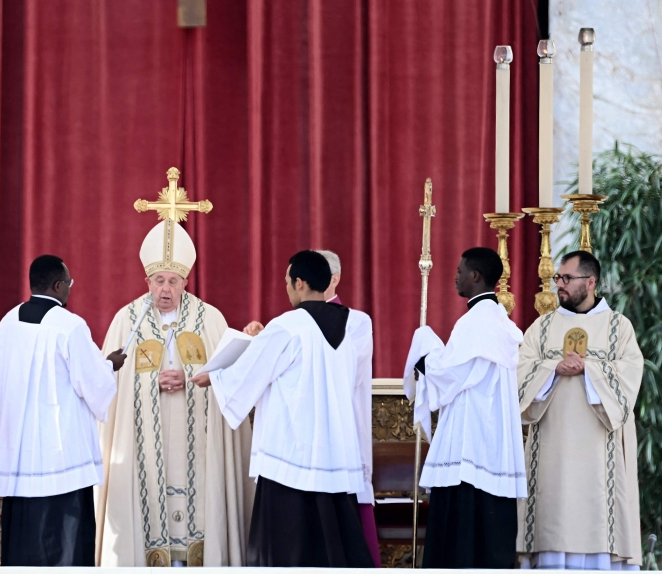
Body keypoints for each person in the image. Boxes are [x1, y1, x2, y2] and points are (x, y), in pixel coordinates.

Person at [193, 250, 374, 567]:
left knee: (286, 549)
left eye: (288, 282)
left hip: (290, 457)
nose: (287, 289)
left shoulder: (287, 326)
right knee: (333, 547)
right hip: (335, 455)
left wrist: (215, 376)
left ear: (300, 283)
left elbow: (248, 374)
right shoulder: (354, 327)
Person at [96, 217, 252, 567]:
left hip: (196, 437)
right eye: (158, 281)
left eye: (173, 281)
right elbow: (110, 387)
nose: (165, 289)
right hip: (142, 445)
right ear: (146, 280)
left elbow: (229, 376)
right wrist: (150, 382)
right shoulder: (127, 319)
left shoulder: (209, 319)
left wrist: (190, 377)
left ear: (186, 281)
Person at [0, 255, 126, 566]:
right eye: (69, 284)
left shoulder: (7, 322)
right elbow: (91, 383)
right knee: (65, 546)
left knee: (23, 546)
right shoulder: (70, 326)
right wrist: (110, 365)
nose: (70, 290)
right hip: (62, 459)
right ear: (59, 285)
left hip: (20, 457)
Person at [516, 250, 643, 570]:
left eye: (566, 279)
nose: (558, 284)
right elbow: (518, 372)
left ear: (590, 282)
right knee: (551, 514)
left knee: (598, 516)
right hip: (551, 451)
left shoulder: (618, 327)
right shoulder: (542, 327)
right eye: (558, 277)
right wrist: (552, 368)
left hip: (599, 450)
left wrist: (589, 369)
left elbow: (629, 377)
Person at [402, 247, 526, 568]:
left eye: (459, 270)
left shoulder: (474, 322)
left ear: (475, 275)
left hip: (469, 443)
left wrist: (425, 348)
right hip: (494, 446)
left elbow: (449, 376)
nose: (455, 276)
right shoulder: (500, 320)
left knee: (459, 542)